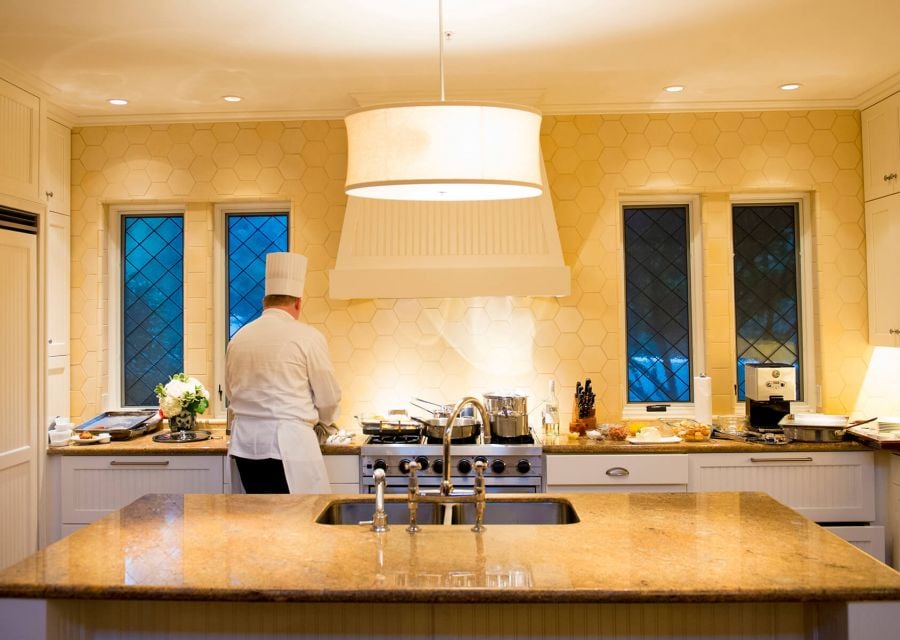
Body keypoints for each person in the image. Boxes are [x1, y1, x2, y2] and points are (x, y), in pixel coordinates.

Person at [225, 252, 341, 494]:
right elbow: (328, 397)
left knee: (258, 522)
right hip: (290, 445)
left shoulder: (238, 338)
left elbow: (230, 392)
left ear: (264, 302)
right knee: (299, 520)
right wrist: (326, 423)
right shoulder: (308, 337)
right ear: (298, 303)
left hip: (245, 446)